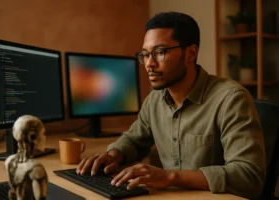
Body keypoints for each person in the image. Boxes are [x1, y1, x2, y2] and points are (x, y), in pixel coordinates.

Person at [76, 12, 266, 199]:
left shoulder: (231, 99)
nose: (149, 64)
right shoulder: (155, 99)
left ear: (191, 53)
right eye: (145, 54)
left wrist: (170, 177)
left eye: (159, 53)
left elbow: (249, 176)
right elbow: (134, 140)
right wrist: (113, 156)